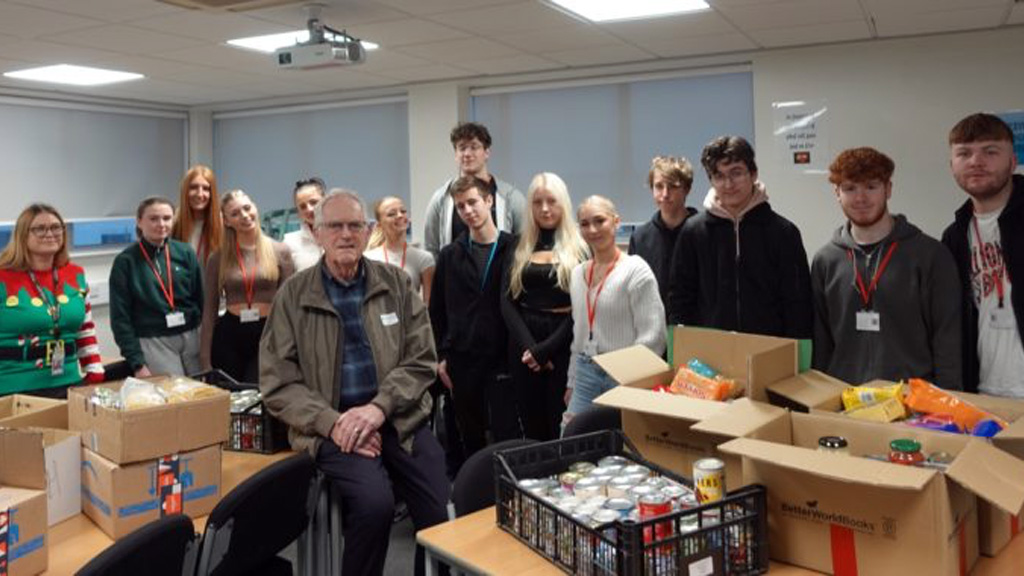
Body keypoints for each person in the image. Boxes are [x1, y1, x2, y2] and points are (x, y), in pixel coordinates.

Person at [259, 189, 449, 576]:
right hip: (332, 429)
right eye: (335, 226)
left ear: (367, 232)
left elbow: (421, 360)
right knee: (375, 506)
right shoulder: (293, 296)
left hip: (399, 418)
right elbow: (278, 382)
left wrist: (378, 409)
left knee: (440, 513)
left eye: (354, 226)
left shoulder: (395, 284)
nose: (346, 234)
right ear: (317, 233)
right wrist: (334, 422)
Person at [812, 147, 962, 389]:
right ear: (837, 193)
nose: (861, 198)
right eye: (850, 188)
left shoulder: (929, 255)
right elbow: (822, 342)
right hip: (846, 401)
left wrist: (946, 406)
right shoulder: (825, 260)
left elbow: (947, 339)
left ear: (888, 189)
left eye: (871, 186)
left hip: (914, 403)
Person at [668, 135, 813, 339]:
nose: (728, 184)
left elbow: (798, 304)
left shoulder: (783, 232)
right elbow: (680, 299)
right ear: (711, 181)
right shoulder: (693, 232)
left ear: (753, 174)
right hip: (710, 354)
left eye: (736, 173)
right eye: (718, 176)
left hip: (771, 351)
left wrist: (797, 357)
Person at [429, 175, 518, 459]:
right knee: (471, 438)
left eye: (473, 202)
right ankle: (475, 499)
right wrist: (441, 355)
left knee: (507, 435)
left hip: (504, 357)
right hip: (462, 360)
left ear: (489, 201)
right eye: (460, 206)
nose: (468, 211)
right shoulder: (449, 255)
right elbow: (437, 311)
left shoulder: (514, 248)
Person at [942, 113, 1024, 397]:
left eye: (990, 151)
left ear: (1012, 161)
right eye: (964, 153)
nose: (976, 161)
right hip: (983, 391)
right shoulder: (954, 237)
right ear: (952, 166)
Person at [500, 173, 587, 441]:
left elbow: (582, 308)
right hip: (524, 348)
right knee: (531, 427)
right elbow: (506, 301)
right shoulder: (517, 244)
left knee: (560, 425)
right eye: (537, 202)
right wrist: (531, 350)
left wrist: (546, 350)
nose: (545, 208)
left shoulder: (582, 247)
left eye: (552, 201)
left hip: (564, 346)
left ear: (564, 203)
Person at [564, 196, 665, 423]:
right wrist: (572, 381)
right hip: (586, 372)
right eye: (585, 223)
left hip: (623, 375)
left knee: (620, 447)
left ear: (616, 222)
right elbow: (579, 334)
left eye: (600, 221)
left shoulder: (635, 270)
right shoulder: (578, 274)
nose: (593, 229)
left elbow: (654, 337)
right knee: (569, 437)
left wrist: (633, 381)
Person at [0, 204, 104, 397]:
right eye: (39, 228)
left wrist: (94, 371)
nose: (50, 233)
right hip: (13, 388)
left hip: (69, 383)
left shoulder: (75, 275)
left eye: (56, 227)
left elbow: (85, 328)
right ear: (23, 235)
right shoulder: (3, 277)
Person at [200, 190, 294, 383]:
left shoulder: (280, 251)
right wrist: (205, 362)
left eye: (247, 208)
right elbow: (209, 312)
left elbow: (288, 306)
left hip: (267, 333)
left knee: (258, 395)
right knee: (233, 401)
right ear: (226, 221)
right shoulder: (218, 258)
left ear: (255, 208)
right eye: (235, 213)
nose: (244, 215)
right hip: (230, 336)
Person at [110, 197, 204, 377]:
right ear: (139, 221)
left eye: (167, 218)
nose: (161, 224)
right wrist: (137, 363)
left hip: (191, 336)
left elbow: (200, 298)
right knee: (174, 397)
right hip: (155, 340)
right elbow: (120, 318)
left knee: (202, 392)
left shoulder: (185, 252)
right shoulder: (126, 262)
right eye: (153, 219)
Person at [423, 122, 526, 259]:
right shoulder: (441, 198)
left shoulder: (511, 197)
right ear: (456, 155)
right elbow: (431, 249)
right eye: (462, 148)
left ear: (486, 152)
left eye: (474, 147)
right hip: (454, 276)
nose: (467, 154)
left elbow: (525, 244)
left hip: (499, 276)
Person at [629, 156, 697, 310]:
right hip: (653, 325)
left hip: (695, 328)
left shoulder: (703, 232)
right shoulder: (640, 238)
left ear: (687, 189)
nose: (665, 194)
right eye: (659, 186)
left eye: (673, 186)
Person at [365, 196, 435, 304]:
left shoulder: (424, 258)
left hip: (412, 319)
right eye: (391, 214)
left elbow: (429, 305)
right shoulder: (368, 258)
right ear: (379, 225)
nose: (400, 215)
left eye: (403, 211)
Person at [171, 165, 222, 265]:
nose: (200, 194)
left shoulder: (223, 224)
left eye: (206, 188)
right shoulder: (174, 223)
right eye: (193, 187)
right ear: (185, 191)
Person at [283, 177, 325, 271]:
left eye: (314, 202)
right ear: (298, 212)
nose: (309, 209)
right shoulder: (289, 243)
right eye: (302, 207)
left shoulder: (343, 235)